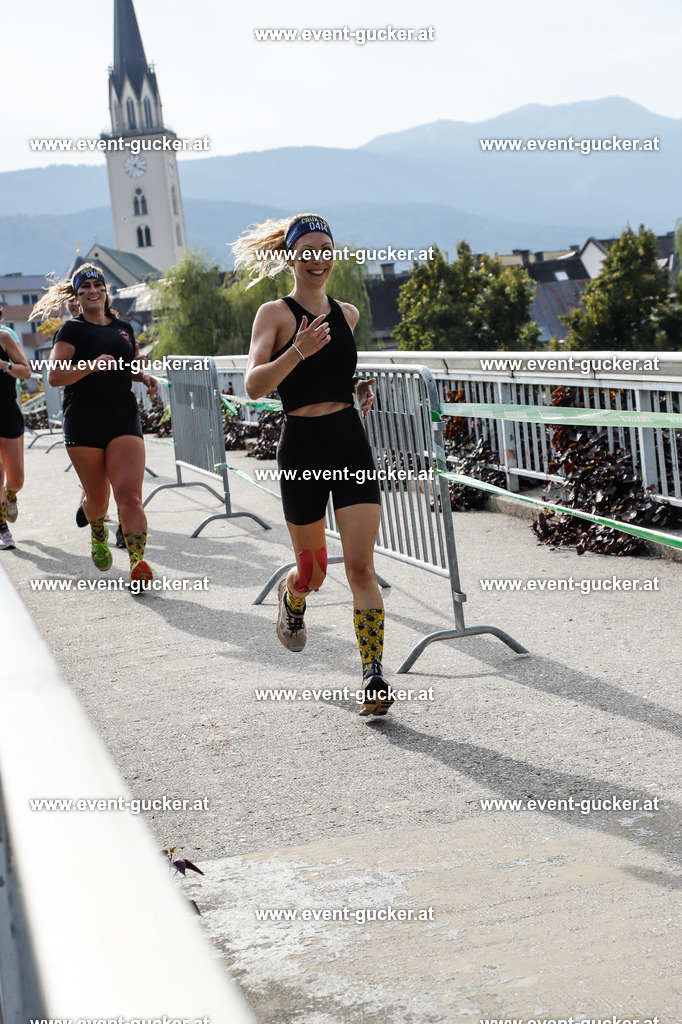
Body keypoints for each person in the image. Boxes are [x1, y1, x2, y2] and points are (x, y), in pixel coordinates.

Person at [233, 214, 393, 716]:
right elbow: (254, 386)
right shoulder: (274, 315)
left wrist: (355, 389)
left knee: (362, 567)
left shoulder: (348, 314)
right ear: (291, 257)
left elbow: (336, 375)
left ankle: (373, 678)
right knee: (314, 572)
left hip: (349, 442)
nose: (319, 258)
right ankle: (293, 597)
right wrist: (296, 352)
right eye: (309, 250)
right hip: (301, 446)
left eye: (326, 249)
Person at [30, 265, 157, 582]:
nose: (92, 290)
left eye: (97, 284)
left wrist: (142, 376)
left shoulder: (124, 328)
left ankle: (137, 562)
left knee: (129, 497)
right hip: (83, 421)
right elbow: (55, 376)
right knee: (98, 501)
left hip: (122, 417)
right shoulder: (71, 331)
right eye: (84, 286)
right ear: (77, 295)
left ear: (105, 291)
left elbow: (126, 367)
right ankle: (98, 528)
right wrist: (90, 365)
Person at [0, 308, 32, 549]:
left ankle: (10, 495)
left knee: (16, 479)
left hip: (6, 412)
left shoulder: (4, 338)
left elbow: (26, 370)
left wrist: (3, 365)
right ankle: (3, 529)